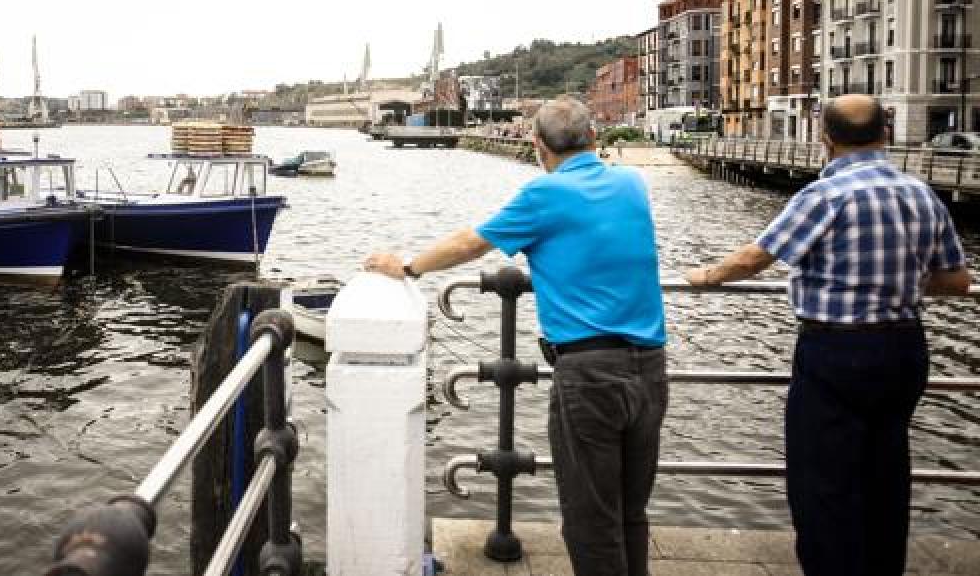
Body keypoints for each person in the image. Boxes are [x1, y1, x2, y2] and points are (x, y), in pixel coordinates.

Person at [366, 97, 667, 576]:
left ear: (538, 146)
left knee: (591, 520)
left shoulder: (544, 196)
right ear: (595, 138)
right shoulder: (632, 184)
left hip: (590, 375)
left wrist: (405, 266)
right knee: (631, 510)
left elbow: (471, 243)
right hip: (650, 367)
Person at [685, 94, 971, 576]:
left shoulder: (824, 195)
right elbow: (957, 281)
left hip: (837, 350)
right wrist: (896, 279)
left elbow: (758, 257)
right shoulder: (921, 193)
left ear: (826, 138)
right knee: (886, 473)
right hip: (905, 347)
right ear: (885, 134)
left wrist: (706, 275)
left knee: (823, 481)